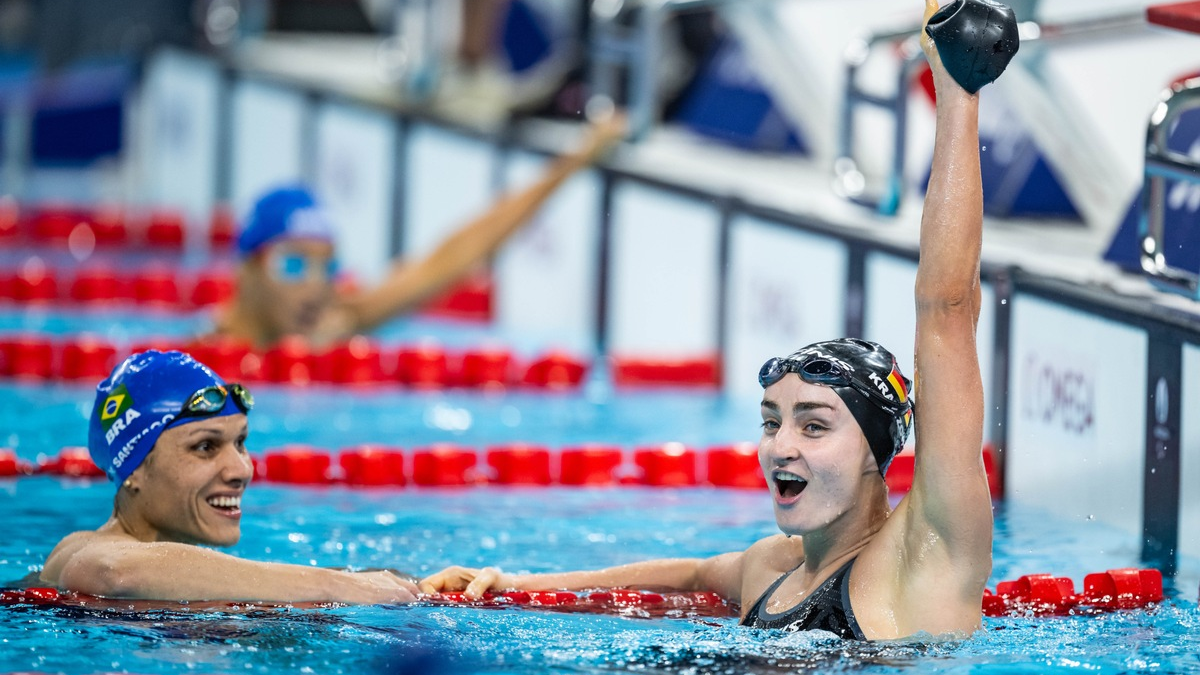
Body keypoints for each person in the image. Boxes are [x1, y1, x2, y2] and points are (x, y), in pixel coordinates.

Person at [419, 0, 999, 640]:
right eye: (773, 422)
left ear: (874, 451)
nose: (781, 446)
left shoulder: (924, 556)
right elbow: (692, 575)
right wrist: (516, 586)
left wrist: (957, 94)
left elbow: (947, 310)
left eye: (814, 426)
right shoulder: (771, 567)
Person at [213, 113, 626, 349]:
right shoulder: (201, 361)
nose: (315, 286)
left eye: (328, 267)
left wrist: (578, 159)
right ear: (247, 269)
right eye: (294, 265)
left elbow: (455, 257)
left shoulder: (337, 323)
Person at [40, 350, 419, 603]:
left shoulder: (207, 573)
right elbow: (112, 571)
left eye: (240, 442)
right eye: (205, 446)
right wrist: (334, 586)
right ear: (134, 468)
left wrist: (421, 589)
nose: (242, 469)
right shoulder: (82, 551)